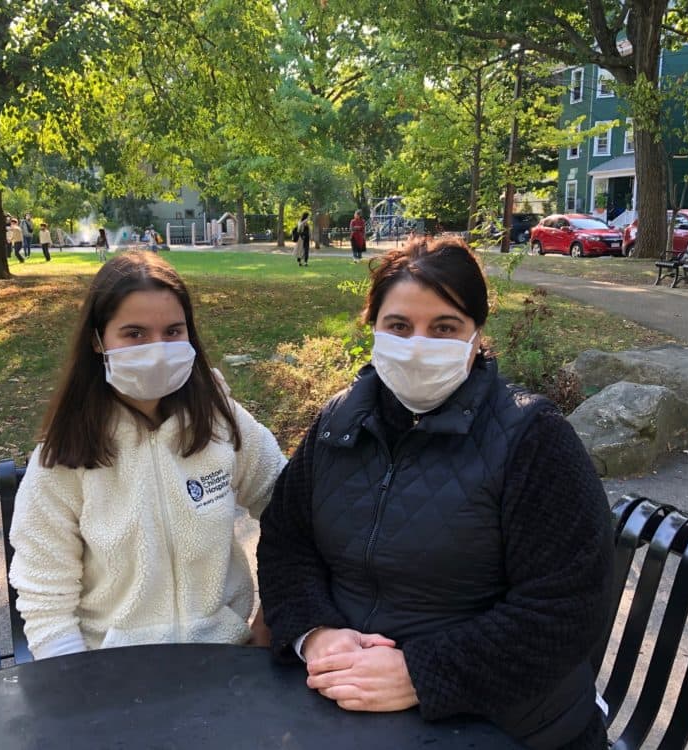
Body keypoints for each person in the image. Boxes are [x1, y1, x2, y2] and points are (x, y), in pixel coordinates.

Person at [257, 236, 614, 749]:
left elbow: (567, 608)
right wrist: (316, 633)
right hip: (348, 709)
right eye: (399, 326)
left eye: (444, 328)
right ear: (373, 327)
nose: (418, 344)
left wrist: (423, 673)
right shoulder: (337, 424)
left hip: (506, 725)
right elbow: (287, 545)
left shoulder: (533, 438)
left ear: (476, 336)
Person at [9, 251, 286, 660]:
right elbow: (45, 595)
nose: (157, 349)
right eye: (134, 333)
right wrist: (79, 689)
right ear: (98, 339)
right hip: (115, 674)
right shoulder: (65, 456)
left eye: (173, 331)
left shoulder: (221, 422)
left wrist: (273, 613)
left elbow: (289, 507)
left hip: (225, 660)